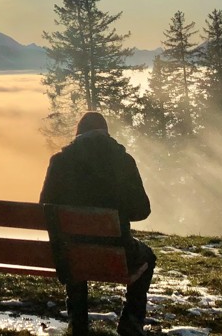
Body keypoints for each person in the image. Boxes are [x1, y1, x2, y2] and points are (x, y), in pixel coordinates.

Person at [39, 112, 155, 336]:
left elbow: (44, 208)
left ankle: (78, 322)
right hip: (117, 251)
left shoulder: (60, 162)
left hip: (70, 252)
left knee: (73, 251)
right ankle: (131, 320)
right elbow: (142, 210)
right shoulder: (123, 161)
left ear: (78, 134)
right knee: (148, 257)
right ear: (106, 134)